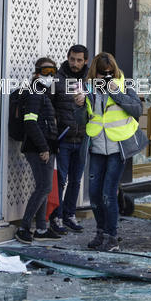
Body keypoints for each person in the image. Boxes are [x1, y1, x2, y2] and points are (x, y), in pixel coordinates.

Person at [75, 52, 142, 252]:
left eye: (109, 73)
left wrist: (116, 92)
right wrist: (78, 106)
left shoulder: (123, 85)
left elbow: (137, 109)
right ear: (94, 73)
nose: (105, 77)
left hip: (116, 147)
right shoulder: (88, 89)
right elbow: (81, 121)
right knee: (94, 195)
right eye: (102, 74)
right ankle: (100, 232)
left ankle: (112, 237)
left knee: (108, 194)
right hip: (96, 147)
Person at [14, 58, 61, 244]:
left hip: (46, 147)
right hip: (38, 148)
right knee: (44, 187)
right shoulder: (35, 93)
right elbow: (30, 122)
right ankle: (24, 228)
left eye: (53, 71)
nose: (50, 75)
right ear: (36, 73)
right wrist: (43, 148)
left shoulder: (42, 93)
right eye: (46, 71)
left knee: (44, 187)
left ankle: (41, 228)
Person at [49, 44, 90, 235]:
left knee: (76, 180)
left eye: (79, 60)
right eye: (72, 59)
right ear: (67, 57)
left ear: (86, 61)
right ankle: (55, 217)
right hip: (63, 138)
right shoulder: (57, 79)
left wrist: (87, 99)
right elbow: (48, 107)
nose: (75, 63)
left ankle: (69, 215)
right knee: (61, 180)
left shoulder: (91, 80)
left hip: (83, 138)